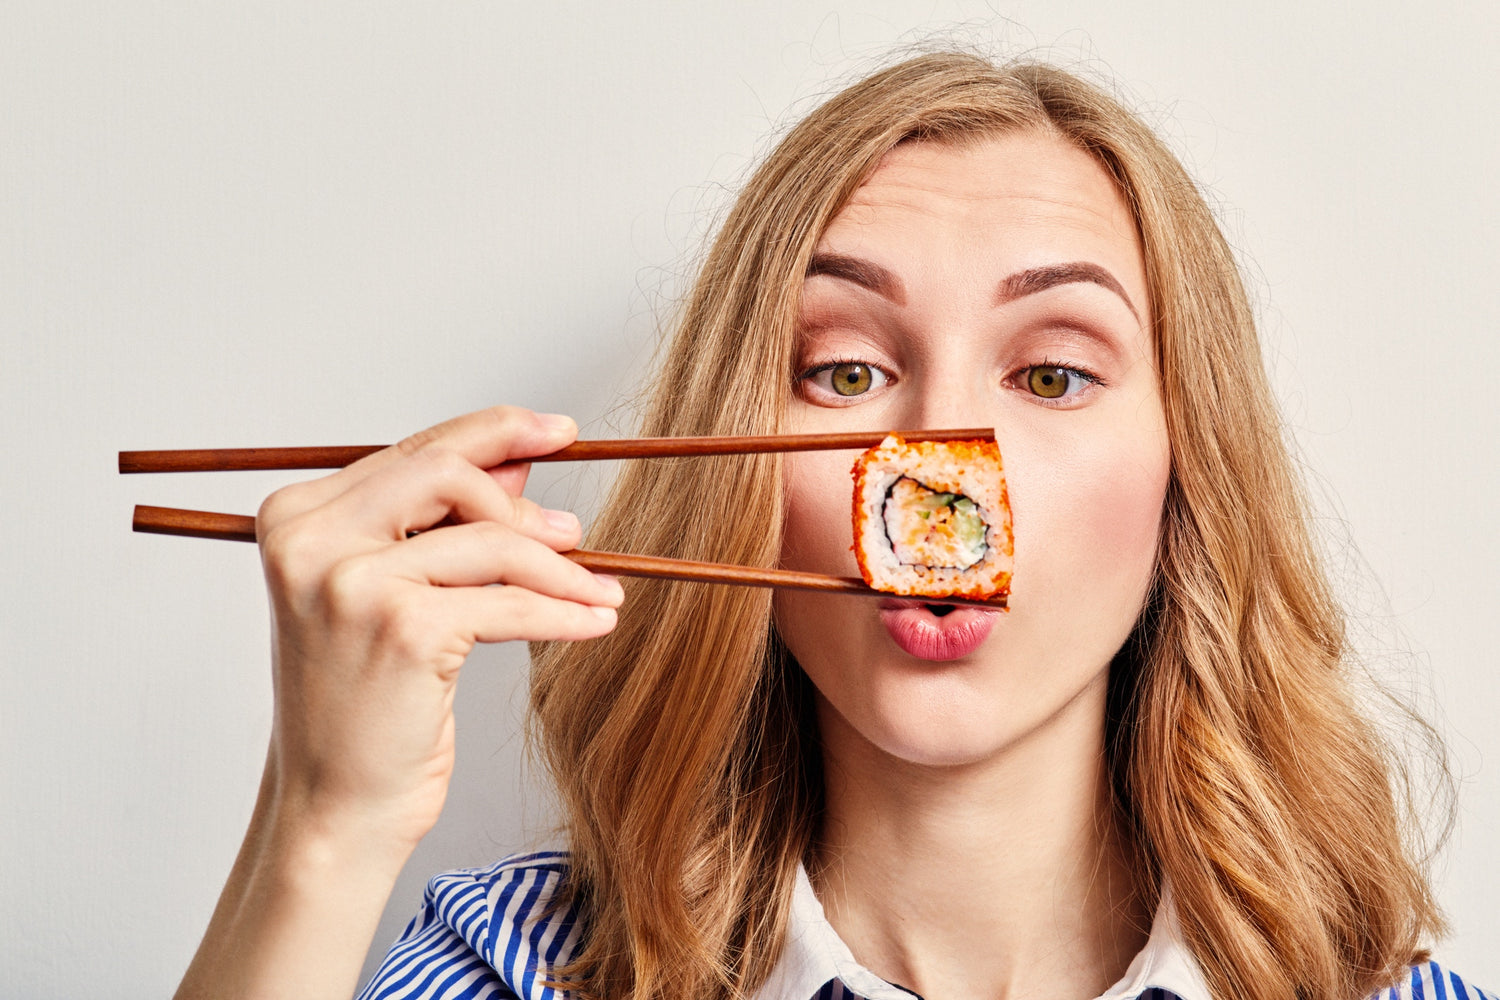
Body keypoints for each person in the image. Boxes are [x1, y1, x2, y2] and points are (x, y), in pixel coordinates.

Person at [173, 52, 1490, 1000]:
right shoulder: (524, 971)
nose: (932, 463)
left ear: (1187, 475)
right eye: (846, 373)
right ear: (736, 467)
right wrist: (327, 820)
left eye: (1051, 375)